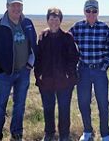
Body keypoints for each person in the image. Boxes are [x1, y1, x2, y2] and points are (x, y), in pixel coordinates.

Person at [0, 0, 37, 141]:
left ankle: (17, 133)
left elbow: (33, 45)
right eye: (13, 6)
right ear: (7, 6)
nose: (16, 9)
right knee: (0, 105)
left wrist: (29, 64)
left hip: (23, 72)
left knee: (19, 105)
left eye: (19, 6)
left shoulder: (27, 23)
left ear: (22, 7)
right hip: (5, 74)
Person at [71, 0, 109, 141]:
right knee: (83, 102)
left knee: (103, 103)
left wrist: (103, 67)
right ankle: (87, 131)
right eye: (88, 11)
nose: (91, 13)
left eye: (94, 11)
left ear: (98, 12)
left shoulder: (105, 28)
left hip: (99, 72)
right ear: (84, 11)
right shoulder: (77, 27)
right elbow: (66, 42)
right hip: (83, 71)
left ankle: (105, 134)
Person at [34, 8, 79, 141]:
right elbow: (38, 57)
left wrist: (68, 73)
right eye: (51, 19)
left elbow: (74, 57)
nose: (54, 21)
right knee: (48, 108)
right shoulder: (43, 38)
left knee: (64, 109)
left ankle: (64, 135)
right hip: (46, 80)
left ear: (60, 21)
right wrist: (39, 74)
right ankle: (49, 133)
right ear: (47, 20)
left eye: (57, 19)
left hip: (64, 81)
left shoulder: (67, 37)